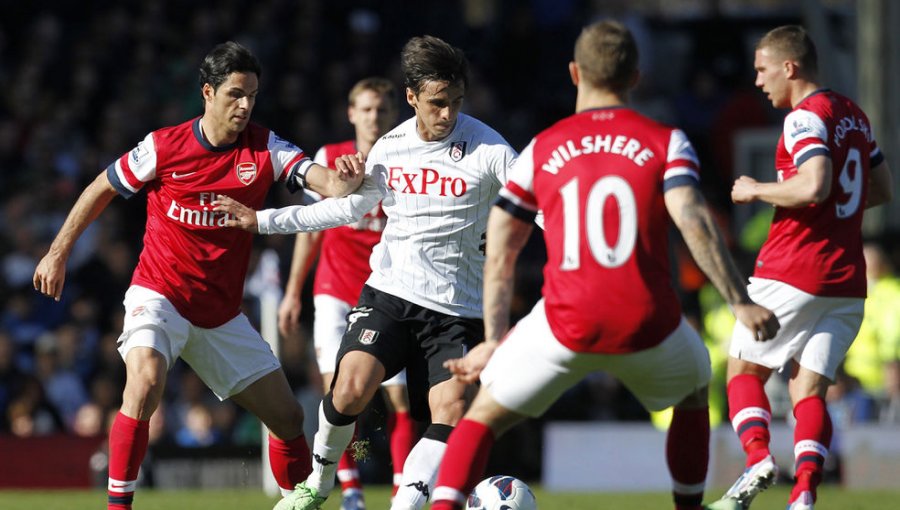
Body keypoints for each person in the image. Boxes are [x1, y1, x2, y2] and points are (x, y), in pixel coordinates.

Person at [424, 20, 780, 510]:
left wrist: (492, 338)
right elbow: (693, 221)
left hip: (564, 322)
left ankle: (442, 506)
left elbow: (503, 248)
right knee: (696, 392)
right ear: (635, 76)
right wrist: (739, 301)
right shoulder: (665, 141)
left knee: (482, 417)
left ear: (575, 73)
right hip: (647, 322)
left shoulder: (543, 148)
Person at [31, 41, 363, 510]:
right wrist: (58, 251)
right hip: (159, 294)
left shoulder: (265, 147)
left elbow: (320, 180)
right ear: (207, 92)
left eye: (252, 95)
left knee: (288, 418)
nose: (245, 105)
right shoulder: (164, 146)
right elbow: (102, 187)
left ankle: (296, 503)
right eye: (235, 94)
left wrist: (344, 180)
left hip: (221, 314)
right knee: (144, 382)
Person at [213, 34, 518, 510]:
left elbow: (539, 208)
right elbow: (336, 212)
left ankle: (406, 503)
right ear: (413, 97)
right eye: (438, 103)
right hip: (390, 295)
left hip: (457, 309)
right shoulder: (390, 150)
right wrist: (260, 220)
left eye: (456, 102)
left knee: (450, 411)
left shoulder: (490, 149)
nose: (448, 114)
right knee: (349, 389)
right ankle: (318, 483)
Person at [711, 25, 893, 510]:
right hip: (847, 281)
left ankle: (756, 459)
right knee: (808, 387)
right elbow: (881, 191)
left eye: (762, 69)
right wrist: (837, 215)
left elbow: (813, 185)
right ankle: (804, 492)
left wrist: (755, 189)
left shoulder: (803, 118)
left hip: (793, 270)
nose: (757, 80)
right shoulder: (854, 115)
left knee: (743, 372)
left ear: (789, 68)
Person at [277, 77, 417, 510]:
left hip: (389, 293)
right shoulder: (330, 159)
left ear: (394, 114)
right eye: (368, 109)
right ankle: (351, 491)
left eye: (383, 109)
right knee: (341, 395)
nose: (375, 116)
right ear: (352, 113)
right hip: (336, 292)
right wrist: (292, 292)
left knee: (400, 402)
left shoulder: (409, 157)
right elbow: (310, 226)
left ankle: (400, 491)